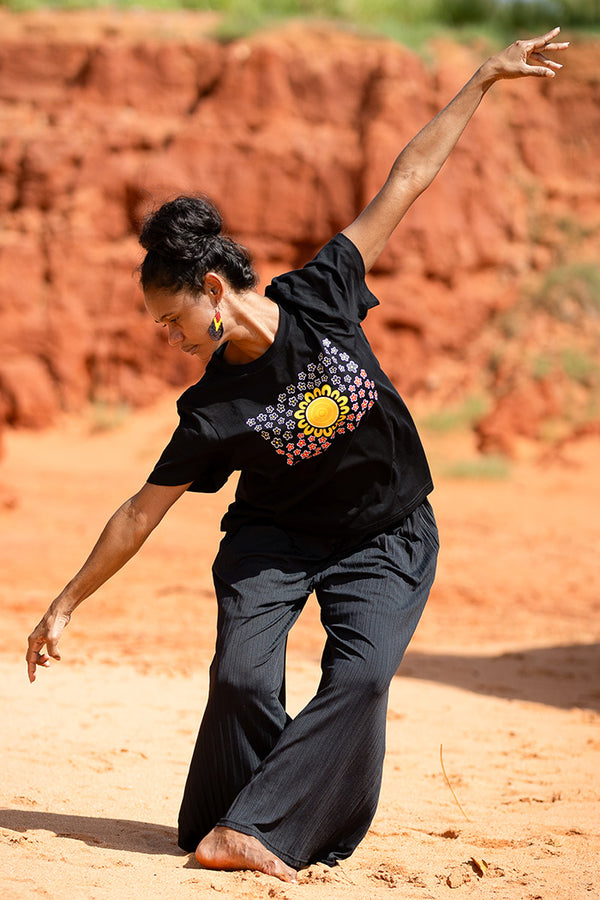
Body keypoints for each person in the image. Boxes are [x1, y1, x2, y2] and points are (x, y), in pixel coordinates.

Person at [27, 29, 567, 883]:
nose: (170, 341)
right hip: (273, 542)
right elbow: (141, 510)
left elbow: (408, 178)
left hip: (387, 532)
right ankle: (235, 823)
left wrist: (483, 78)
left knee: (361, 680)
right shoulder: (210, 410)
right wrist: (65, 602)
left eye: (172, 320)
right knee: (242, 681)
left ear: (213, 291)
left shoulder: (321, 293)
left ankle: (261, 829)